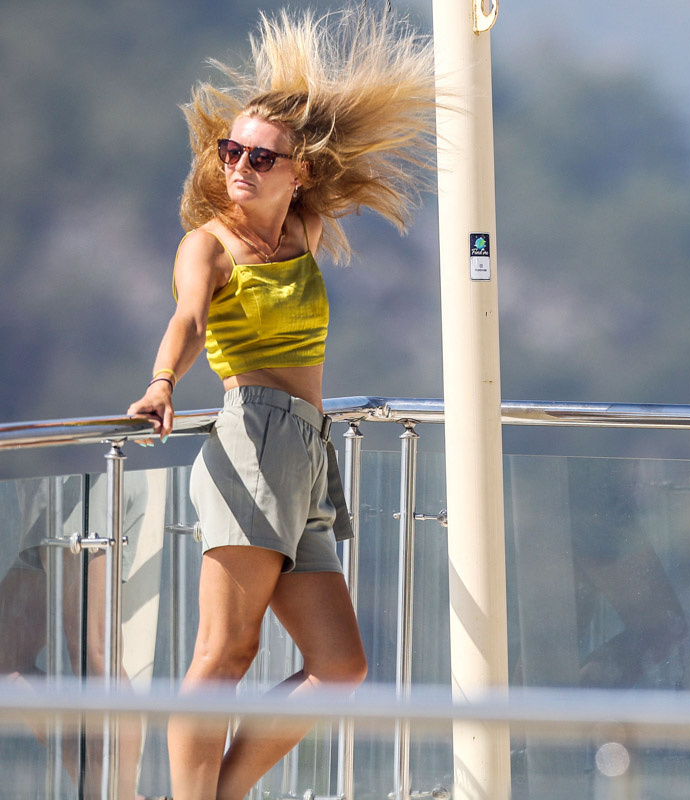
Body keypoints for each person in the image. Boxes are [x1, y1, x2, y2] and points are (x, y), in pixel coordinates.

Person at [126, 8, 438, 798]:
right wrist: (163, 380)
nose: (240, 166)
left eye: (261, 156)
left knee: (341, 667)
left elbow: (326, 132)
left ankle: (225, 794)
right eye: (231, 151)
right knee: (224, 652)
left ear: (298, 171)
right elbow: (189, 320)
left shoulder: (302, 224)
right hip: (253, 438)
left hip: (308, 451)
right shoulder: (210, 242)